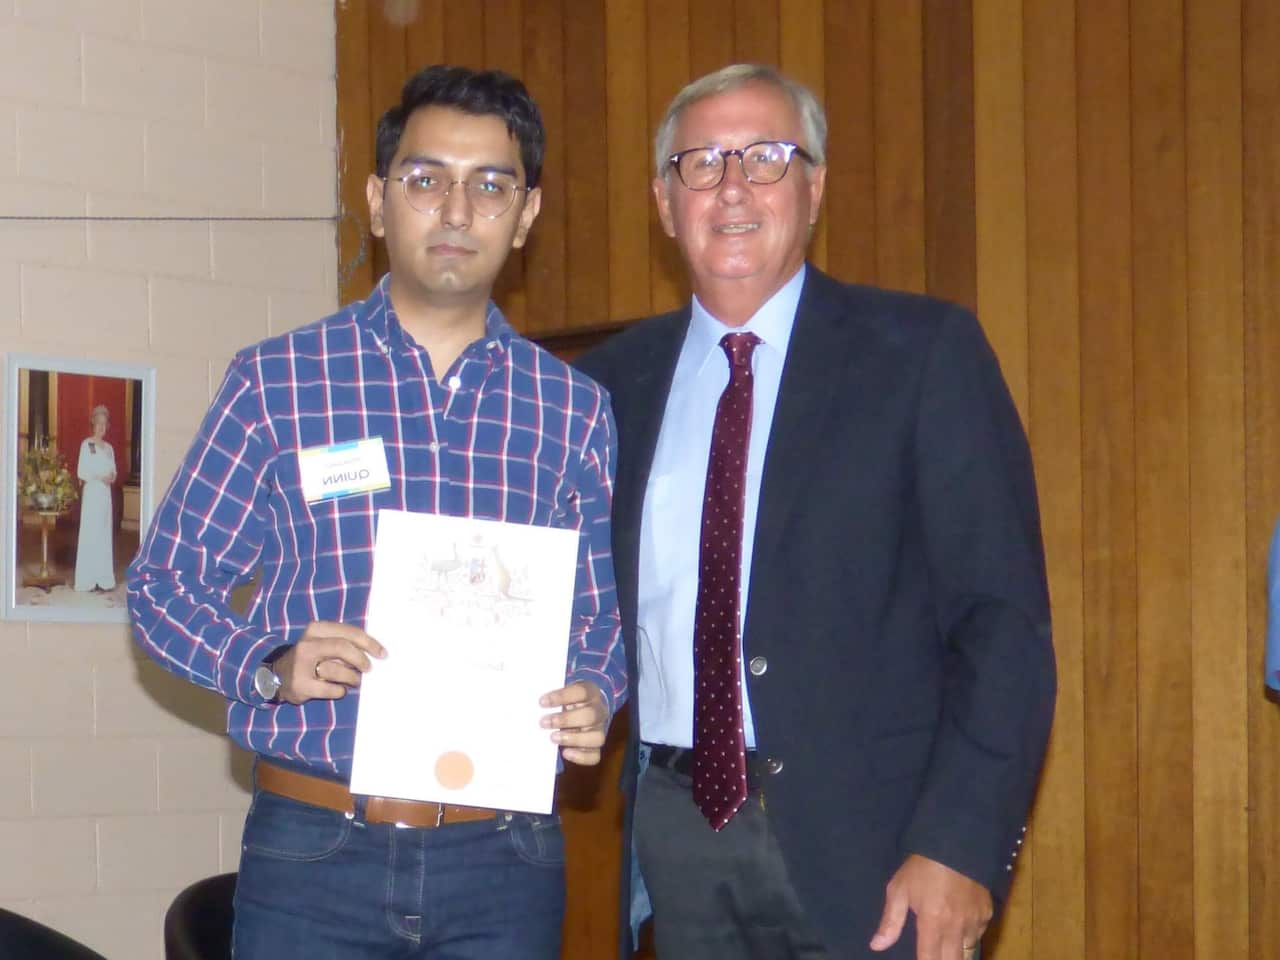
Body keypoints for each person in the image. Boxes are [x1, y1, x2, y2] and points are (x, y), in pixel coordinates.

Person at [128, 65, 625, 959]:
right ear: (376, 199)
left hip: (504, 861)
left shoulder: (575, 410)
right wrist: (268, 661)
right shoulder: (277, 383)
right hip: (316, 852)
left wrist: (596, 692)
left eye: (490, 185)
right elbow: (163, 586)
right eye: (426, 179)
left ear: (528, 215)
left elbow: (599, 622)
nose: (457, 209)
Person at [576, 64, 1056, 960]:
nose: (731, 188)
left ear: (815, 184)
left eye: (764, 158)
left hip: (875, 850)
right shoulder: (609, 387)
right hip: (676, 832)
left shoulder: (922, 355)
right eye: (701, 163)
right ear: (662, 199)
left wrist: (960, 846)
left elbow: (1003, 628)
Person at [74, 404, 116, 592]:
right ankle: (87, 579)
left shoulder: (109, 448)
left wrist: (112, 476)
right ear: (93, 424)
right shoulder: (87, 444)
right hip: (92, 493)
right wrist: (99, 477)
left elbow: (114, 469)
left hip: (105, 496)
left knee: (103, 534)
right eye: (98, 423)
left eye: (104, 424)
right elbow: (82, 471)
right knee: (91, 533)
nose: (101, 427)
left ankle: (103, 578)